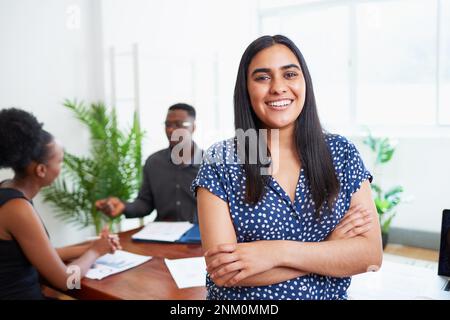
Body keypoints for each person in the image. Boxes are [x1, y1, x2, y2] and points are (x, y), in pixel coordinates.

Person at [191, 35, 382, 300]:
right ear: (246, 89)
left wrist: (273, 253)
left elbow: (370, 256)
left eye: (290, 74)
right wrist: (329, 250)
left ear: (305, 82)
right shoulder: (220, 160)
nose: (278, 87)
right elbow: (224, 271)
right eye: (262, 77)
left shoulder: (341, 153)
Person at [0, 108, 121, 300]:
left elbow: (35, 254)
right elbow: (65, 281)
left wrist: (92, 246)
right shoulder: (17, 209)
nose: (62, 168)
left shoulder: (7, 191)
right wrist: (96, 251)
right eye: (60, 161)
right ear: (41, 170)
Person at [96, 103, 202, 223]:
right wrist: (123, 206)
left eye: (178, 124)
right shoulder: (154, 162)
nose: (171, 130)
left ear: (193, 127)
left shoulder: (211, 165)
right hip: (162, 236)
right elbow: (145, 204)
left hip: (200, 237)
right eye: (168, 124)